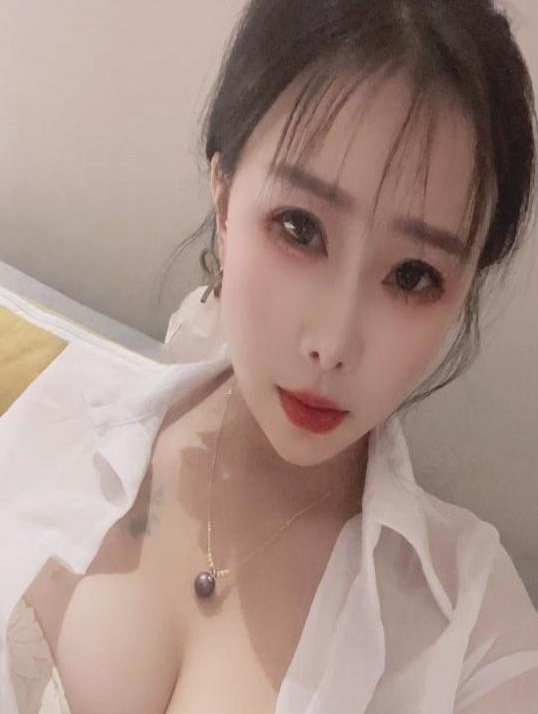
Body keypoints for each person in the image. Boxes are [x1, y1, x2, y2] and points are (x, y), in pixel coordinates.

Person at [2, 0, 538, 712]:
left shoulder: (474, 632)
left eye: (413, 276)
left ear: (465, 286)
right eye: (299, 228)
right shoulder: (67, 412)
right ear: (225, 200)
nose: (333, 344)